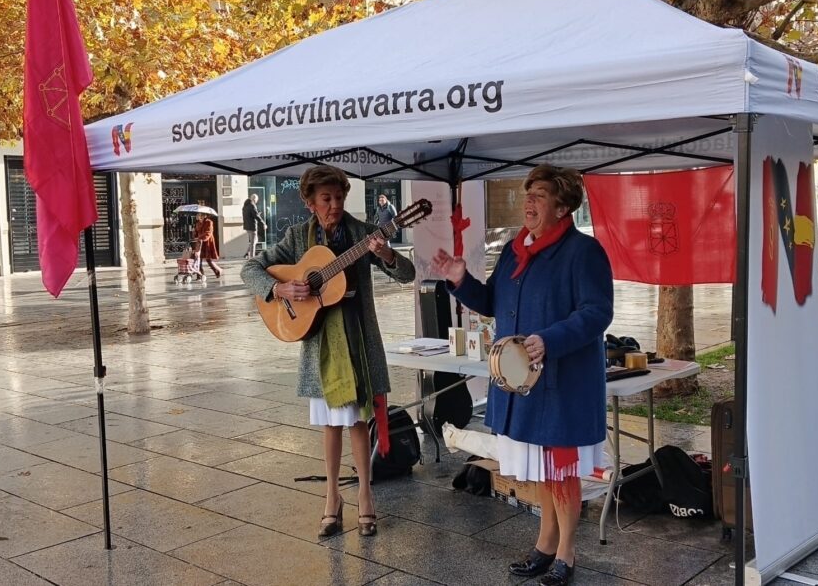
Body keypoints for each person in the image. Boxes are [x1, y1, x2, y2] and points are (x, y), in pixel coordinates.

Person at [431, 164, 612, 586]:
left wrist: (550, 338)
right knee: (546, 471)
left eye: (539, 194)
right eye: (527, 193)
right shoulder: (516, 250)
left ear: (563, 204)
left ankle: (566, 553)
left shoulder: (583, 252)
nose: (527, 201)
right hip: (525, 387)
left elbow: (597, 311)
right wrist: (461, 280)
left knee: (562, 471)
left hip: (564, 385)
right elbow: (494, 300)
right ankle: (546, 544)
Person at [241, 165, 415, 538]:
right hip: (320, 344)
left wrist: (385, 255)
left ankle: (366, 496)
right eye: (326, 199)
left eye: (339, 197)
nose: (334, 204)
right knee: (329, 425)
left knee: (356, 421)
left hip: (356, 341)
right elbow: (251, 267)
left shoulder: (364, 233)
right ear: (309, 203)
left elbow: (408, 274)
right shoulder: (296, 238)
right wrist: (280, 290)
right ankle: (331, 497)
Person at [194, 212, 222, 278]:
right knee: (199, 258)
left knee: (208, 259)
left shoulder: (209, 222)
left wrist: (201, 238)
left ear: (205, 215)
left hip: (207, 243)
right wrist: (195, 233)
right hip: (200, 243)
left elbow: (209, 232)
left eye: (201, 215)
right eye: (199, 215)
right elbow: (196, 232)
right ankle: (200, 274)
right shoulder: (198, 223)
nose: (199, 216)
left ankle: (217, 271)